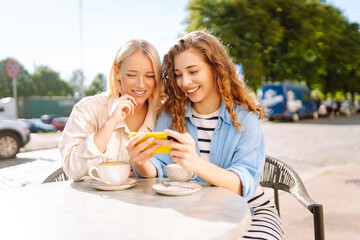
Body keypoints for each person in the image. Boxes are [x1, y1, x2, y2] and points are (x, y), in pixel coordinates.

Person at [127, 31, 283, 239]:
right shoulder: (171, 115)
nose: (185, 82)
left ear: (215, 68)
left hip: (250, 211)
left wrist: (195, 163)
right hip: (192, 211)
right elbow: (158, 169)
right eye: (178, 74)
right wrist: (140, 161)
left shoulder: (246, 119)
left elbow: (241, 184)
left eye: (193, 71)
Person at [59, 39, 163, 181]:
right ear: (117, 72)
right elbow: (72, 170)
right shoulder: (88, 108)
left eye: (150, 76)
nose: (141, 84)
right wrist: (110, 123)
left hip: (146, 201)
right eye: (132, 74)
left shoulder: (163, 114)